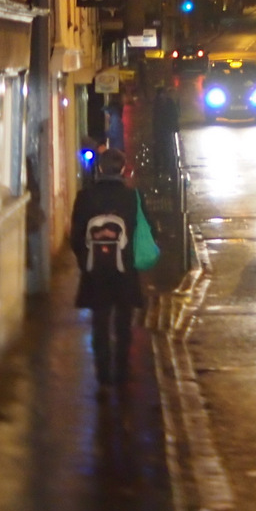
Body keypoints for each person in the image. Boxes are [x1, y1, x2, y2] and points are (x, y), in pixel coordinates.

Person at [70, 148, 157, 395]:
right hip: (124, 271)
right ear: (122, 169)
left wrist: (86, 260)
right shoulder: (132, 197)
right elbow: (146, 230)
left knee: (99, 322)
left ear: (99, 169)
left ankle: (103, 375)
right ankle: (121, 371)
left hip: (95, 272)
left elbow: (76, 237)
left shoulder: (84, 197)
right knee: (123, 324)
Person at [151, 85, 180, 179]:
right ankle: (165, 166)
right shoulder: (167, 102)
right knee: (166, 148)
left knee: (162, 148)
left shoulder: (157, 102)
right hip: (165, 129)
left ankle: (161, 167)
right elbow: (174, 115)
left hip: (162, 130)